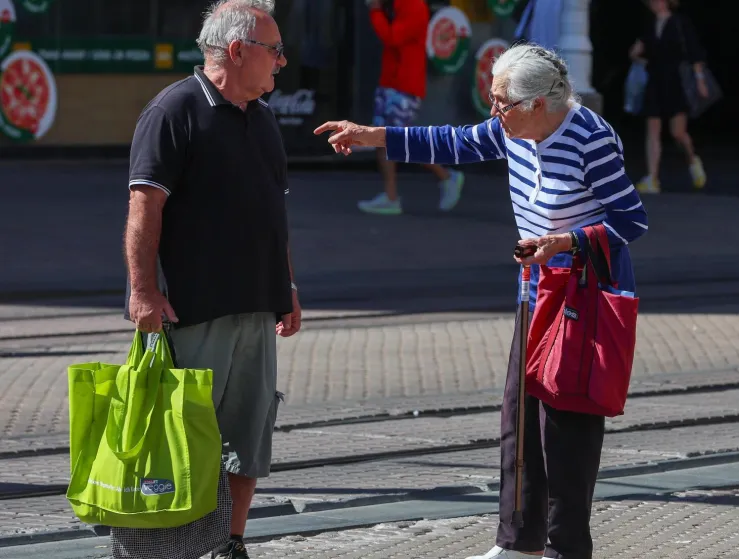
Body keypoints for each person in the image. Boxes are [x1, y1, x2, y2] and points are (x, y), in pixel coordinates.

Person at [315, 43, 648, 559]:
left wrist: (565, 242)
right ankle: (517, 543)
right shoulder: (512, 128)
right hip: (534, 292)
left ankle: (565, 549)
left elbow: (631, 220)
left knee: (566, 431)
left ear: (538, 103)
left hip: (581, 298)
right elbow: (453, 143)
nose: (493, 112)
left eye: (501, 103)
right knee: (519, 419)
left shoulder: (591, 137)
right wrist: (372, 135)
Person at [123, 1, 300, 558]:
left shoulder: (263, 117)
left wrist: (288, 286)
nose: (282, 61)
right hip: (193, 309)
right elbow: (144, 205)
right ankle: (165, 549)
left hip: (258, 305)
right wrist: (143, 291)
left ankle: (230, 544)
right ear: (238, 50)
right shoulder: (173, 110)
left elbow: (274, 212)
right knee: (182, 440)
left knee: (247, 440)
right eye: (275, 50)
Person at [357, 0, 465, 215]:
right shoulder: (398, 5)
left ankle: (446, 176)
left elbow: (393, 37)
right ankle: (391, 197)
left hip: (405, 86)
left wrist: (375, 12)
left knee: (399, 141)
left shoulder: (414, 5)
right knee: (382, 140)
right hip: (391, 84)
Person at [628, 0, 708, 194]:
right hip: (655, 81)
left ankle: (692, 159)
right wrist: (639, 57)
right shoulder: (649, 25)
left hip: (675, 81)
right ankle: (652, 178)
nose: (653, 4)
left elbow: (695, 53)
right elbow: (636, 51)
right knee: (652, 130)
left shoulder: (680, 22)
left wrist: (700, 80)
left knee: (678, 133)